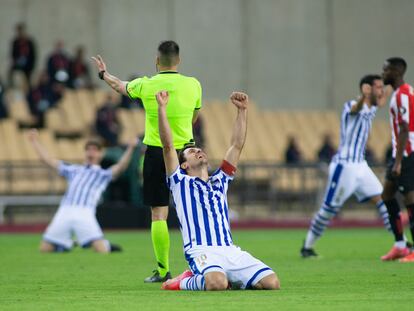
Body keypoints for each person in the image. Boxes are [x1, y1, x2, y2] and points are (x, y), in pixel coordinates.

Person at [92, 41, 202, 282]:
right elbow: (194, 118)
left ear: (157, 60)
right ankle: (204, 266)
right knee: (194, 212)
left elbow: (118, 85)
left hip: (156, 151)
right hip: (187, 153)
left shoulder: (146, 84)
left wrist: (103, 73)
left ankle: (163, 271)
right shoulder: (194, 85)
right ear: (179, 60)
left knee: (159, 213)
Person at [156, 90, 279, 290]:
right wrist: (162, 109)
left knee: (272, 283)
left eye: (198, 149)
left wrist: (242, 111)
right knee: (216, 284)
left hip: (230, 250)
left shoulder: (220, 180)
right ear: (184, 165)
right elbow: (168, 146)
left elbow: (236, 146)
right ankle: (183, 281)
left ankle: (229, 279)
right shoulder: (180, 182)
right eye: (191, 152)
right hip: (201, 250)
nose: (198, 151)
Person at [301, 74, 392, 258]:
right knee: (328, 210)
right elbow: (355, 108)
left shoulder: (371, 107)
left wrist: (393, 83)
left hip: (361, 165)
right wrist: (363, 98)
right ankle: (307, 245)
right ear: (366, 89)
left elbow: (380, 101)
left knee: (384, 201)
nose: (381, 91)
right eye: (378, 87)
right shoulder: (352, 105)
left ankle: (401, 243)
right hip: (345, 167)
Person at [28, 129, 138, 253]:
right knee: (45, 249)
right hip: (65, 210)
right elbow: (48, 160)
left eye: (95, 150)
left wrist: (131, 148)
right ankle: (66, 245)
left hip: (85, 212)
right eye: (88, 149)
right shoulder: (73, 169)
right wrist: (34, 141)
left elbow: (120, 167)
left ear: (100, 154)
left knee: (101, 250)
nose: (91, 152)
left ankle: (106, 245)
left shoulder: (102, 174)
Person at [380, 57, 414, 262]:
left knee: (410, 201)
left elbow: (404, 129)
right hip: (400, 154)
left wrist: (399, 161)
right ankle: (400, 245)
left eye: (385, 70)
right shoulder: (402, 93)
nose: (383, 73)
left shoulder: (402, 95)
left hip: (407, 153)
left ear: (396, 71)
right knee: (387, 195)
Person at [9, 23, 36, 88]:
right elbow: (13, 53)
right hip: (18, 63)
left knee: (28, 79)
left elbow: (33, 55)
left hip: (28, 64)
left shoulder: (29, 42)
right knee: (11, 73)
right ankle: (12, 86)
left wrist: (31, 65)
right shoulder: (16, 42)